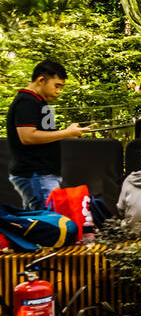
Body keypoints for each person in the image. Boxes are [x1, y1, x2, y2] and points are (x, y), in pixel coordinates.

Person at [5, 60, 85, 209]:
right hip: (36, 173)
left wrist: (67, 133)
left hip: (41, 174)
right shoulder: (26, 102)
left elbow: (43, 134)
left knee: (37, 222)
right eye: (57, 86)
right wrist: (66, 132)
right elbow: (27, 137)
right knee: (48, 222)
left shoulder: (38, 102)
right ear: (41, 80)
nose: (58, 91)